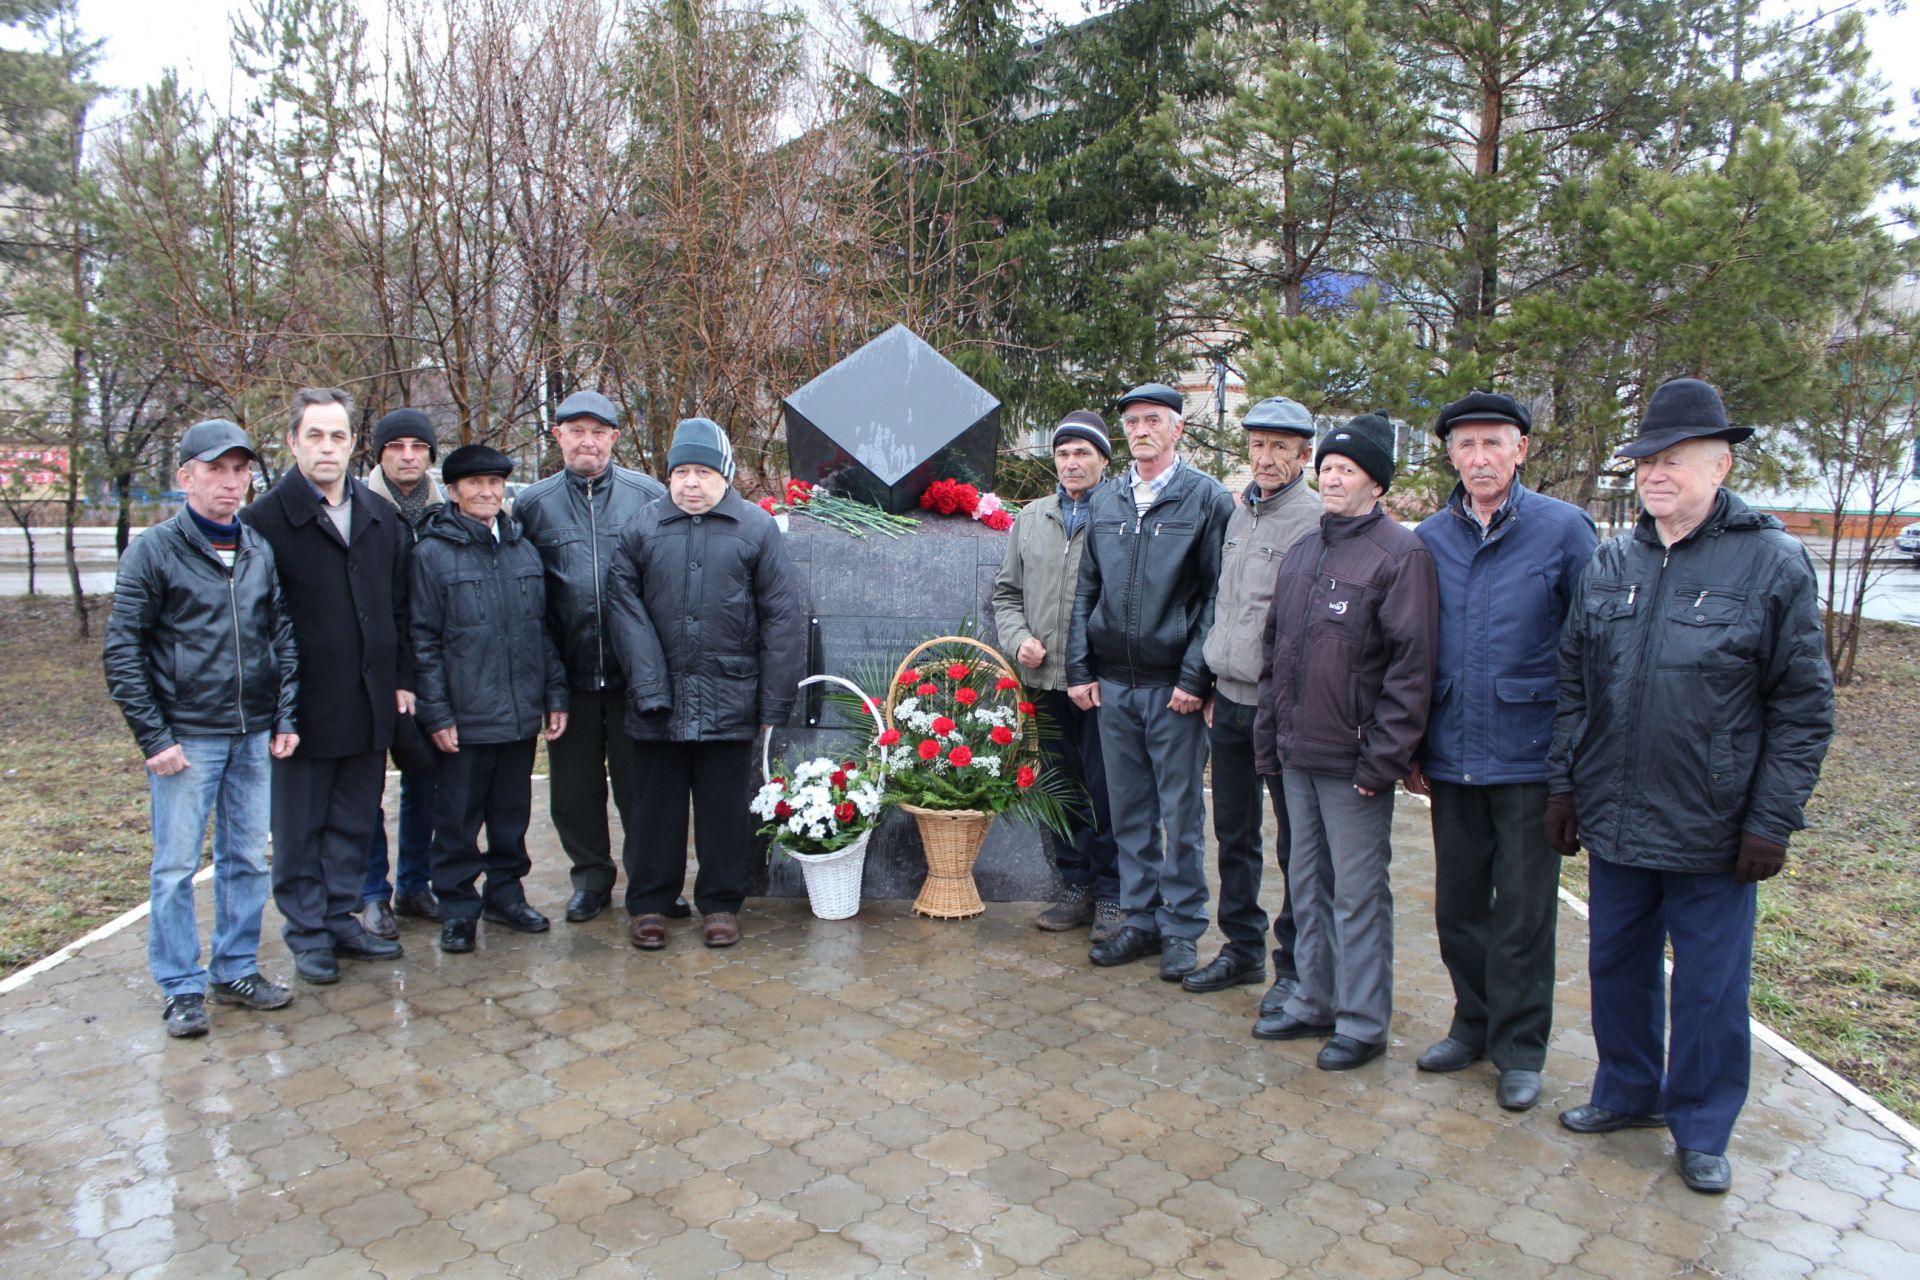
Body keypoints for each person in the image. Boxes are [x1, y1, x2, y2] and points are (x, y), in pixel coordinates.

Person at [1548, 378, 1833, 1194]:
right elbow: (1578, 684)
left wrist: (1771, 821)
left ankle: (1702, 1125)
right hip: (1618, 816)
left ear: (1721, 463)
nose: (1654, 475)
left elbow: (1803, 705)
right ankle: (1627, 1091)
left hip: (1714, 824)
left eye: (1673, 460)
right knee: (1616, 967)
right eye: (1645, 461)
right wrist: (1565, 787)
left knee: (1710, 988)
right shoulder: (1615, 561)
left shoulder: (1769, 561)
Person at [1407, 391, 1597, 1111]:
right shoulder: (1430, 537)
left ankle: (1521, 1048)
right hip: (1453, 752)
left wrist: (1573, 761)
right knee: (1459, 905)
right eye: (1466, 446)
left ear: (1521, 449)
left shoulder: (1564, 531)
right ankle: (1471, 1024)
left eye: (1494, 444)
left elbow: (1590, 649)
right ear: (1450, 455)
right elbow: (1414, 649)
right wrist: (1415, 742)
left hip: (1530, 755)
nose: (1479, 458)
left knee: (1523, 912)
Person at [104, 419, 300, 1037]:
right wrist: (155, 738)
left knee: (245, 857)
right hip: (188, 737)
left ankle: (235, 968)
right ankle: (181, 986)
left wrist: (283, 714)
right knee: (175, 867)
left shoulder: (256, 548)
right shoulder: (155, 550)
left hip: (252, 733)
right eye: (215, 469)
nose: (230, 482)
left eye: (240, 470)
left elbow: (281, 637)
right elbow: (123, 650)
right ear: (185, 475)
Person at [1252, 414, 1436, 1070]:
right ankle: (1314, 997)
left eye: (1347, 469)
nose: (1332, 476)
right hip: (1298, 754)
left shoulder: (1399, 555)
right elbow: (1278, 653)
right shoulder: (1305, 550)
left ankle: (1363, 1020)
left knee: (1358, 891)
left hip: (1353, 761)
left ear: (1376, 484)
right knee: (1306, 882)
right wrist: (1269, 739)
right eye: (1327, 467)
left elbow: (1411, 668)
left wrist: (1383, 758)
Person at [605, 417, 803, 950]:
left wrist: (773, 701)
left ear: (725, 474)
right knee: (654, 811)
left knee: (723, 812)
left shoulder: (756, 530)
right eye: (681, 472)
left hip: (729, 697)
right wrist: (649, 688)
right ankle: (649, 905)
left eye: (702, 472)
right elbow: (623, 609)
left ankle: (720, 904)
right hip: (657, 703)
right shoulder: (641, 529)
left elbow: (781, 617)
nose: (691, 483)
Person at [1066, 382, 1234, 979]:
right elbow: (1087, 589)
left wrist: (1197, 676)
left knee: (1181, 812)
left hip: (1174, 689)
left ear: (1177, 429)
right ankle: (1139, 919)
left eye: (1153, 420)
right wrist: (1079, 668)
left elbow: (1217, 595)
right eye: (1132, 421)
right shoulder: (1107, 502)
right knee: (1129, 809)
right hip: (1113, 684)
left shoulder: (1207, 500)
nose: (1141, 430)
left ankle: (1182, 928)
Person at [241, 388, 408, 985]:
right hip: (300, 709)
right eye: (315, 435)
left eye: (338, 436)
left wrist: (402, 680)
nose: (328, 447)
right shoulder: (262, 522)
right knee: (298, 828)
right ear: (292, 442)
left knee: (353, 819)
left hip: (368, 701)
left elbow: (398, 605)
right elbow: (253, 621)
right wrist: (274, 705)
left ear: (353, 443)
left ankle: (341, 918)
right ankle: (307, 932)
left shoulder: (378, 514)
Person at [514, 390, 686, 925]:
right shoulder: (533, 505)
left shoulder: (648, 496)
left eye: (598, 431)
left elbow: (669, 583)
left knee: (644, 787)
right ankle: (590, 878)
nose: (586, 441)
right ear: (557, 436)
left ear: (615, 437)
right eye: (575, 430)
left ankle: (651, 881)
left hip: (636, 675)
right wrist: (549, 681)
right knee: (573, 790)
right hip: (570, 676)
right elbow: (531, 599)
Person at [409, 444, 571, 953]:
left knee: (511, 814)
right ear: (453, 492)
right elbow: (422, 640)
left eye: (495, 483)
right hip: (464, 714)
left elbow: (541, 630)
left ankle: (506, 895)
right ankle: (458, 907)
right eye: (475, 484)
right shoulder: (431, 554)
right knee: (456, 818)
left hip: (520, 711)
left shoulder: (523, 549)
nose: (487, 493)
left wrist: (554, 693)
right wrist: (436, 711)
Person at [1192, 396, 1321, 1001]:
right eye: (1258, 445)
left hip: (1282, 707)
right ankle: (1241, 949)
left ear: (1303, 454)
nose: (1265, 459)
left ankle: (1294, 967)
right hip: (1231, 704)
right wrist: (1216, 682)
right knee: (1233, 831)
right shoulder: (1242, 513)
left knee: (1295, 842)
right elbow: (1228, 604)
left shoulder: (1315, 521)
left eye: (1279, 447)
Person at [992, 410, 1123, 940]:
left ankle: (1115, 892)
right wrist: (1016, 637)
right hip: (1042, 681)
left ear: (1103, 461)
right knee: (1060, 787)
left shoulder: (1118, 515)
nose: (1071, 463)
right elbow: (1006, 593)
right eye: (1064, 453)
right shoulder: (1031, 517)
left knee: (1108, 789)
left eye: (1082, 454)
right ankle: (1075, 884)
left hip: (1098, 684)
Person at [356, 407, 447, 938]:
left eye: (418, 446)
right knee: (368, 788)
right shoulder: (359, 508)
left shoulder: (444, 509)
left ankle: (417, 884)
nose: (408, 456)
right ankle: (372, 893)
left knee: (426, 782)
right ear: (379, 453)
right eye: (396, 446)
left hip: (431, 669)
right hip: (373, 673)